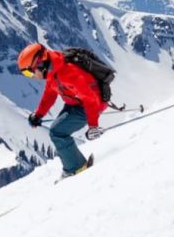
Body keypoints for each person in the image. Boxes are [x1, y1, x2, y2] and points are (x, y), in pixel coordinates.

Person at [17, 42, 107, 177]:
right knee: (57, 131)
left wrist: (93, 126)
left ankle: (76, 169)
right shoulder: (52, 70)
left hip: (90, 105)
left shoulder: (68, 73)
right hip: (75, 103)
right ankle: (74, 165)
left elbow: (90, 99)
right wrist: (39, 114)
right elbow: (50, 94)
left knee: (57, 132)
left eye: (30, 73)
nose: (32, 77)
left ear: (40, 64)